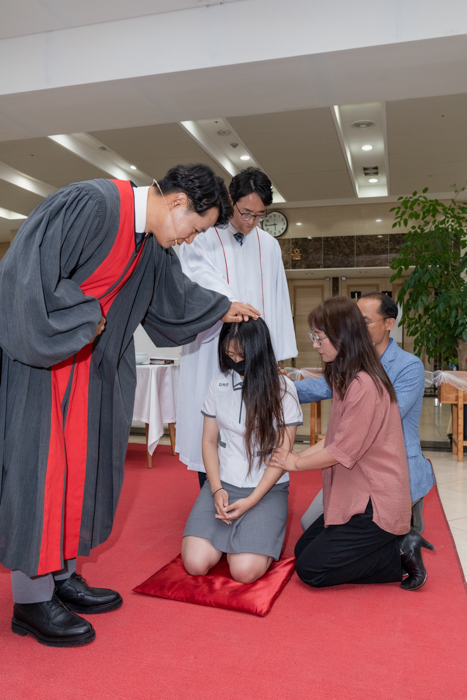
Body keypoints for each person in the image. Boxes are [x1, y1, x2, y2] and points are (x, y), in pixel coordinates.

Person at [0, 163, 261, 647]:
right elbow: (23, 276)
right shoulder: (93, 204)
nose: (188, 240)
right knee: (44, 478)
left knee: (85, 472)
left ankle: (61, 578)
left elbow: (174, 299)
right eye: (195, 229)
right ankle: (31, 600)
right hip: (46, 370)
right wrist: (81, 320)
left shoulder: (148, 241)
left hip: (92, 373)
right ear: (179, 202)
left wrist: (221, 307)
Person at [269, 296, 434, 591]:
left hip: (375, 497)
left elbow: (342, 448)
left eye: (319, 338)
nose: (316, 345)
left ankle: (399, 554)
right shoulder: (348, 375)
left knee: (311, 570)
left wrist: (294, 462)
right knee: (304, 549)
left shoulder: (370, 381)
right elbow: (336, 435)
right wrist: (277, 387)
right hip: (356, 485)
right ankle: (394, 546)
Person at [176, 167, 297, 487]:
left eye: (260, 215)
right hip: (211, 346)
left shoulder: (269, 246)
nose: (251, 221)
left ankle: (251, 492)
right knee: (210, 424)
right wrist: (230, 305)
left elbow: (279, 300)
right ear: (230, 200)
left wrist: (279, 356)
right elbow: (196, 280)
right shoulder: (202, 235)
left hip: (257, 352)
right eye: (246, 212)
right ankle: (210, 490)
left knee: (253, 424)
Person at [296, 292, 435, 533]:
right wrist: (274, 389)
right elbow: (317, 388)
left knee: (382, 536)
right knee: (311, 523)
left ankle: (405, 536)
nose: (357, 327)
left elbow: (381, 421)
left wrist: (298, 460)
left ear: (389, 323)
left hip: (393, 469)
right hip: (353, 464)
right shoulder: (352, 363)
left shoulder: (409, 366)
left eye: (366, 322)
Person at [182, 319, 302, 583]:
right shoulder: (219, 383)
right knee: (194, 563)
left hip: (265, 489)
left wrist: (252, 500)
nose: (235, 362)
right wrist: (216, 489)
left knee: (244, 572)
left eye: (242, 356)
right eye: (230, 355)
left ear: (258, 352)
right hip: (224, 483)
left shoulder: (283, 390)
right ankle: (233, 540)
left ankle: (249, 540)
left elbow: (281, 456)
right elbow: (209, 442)